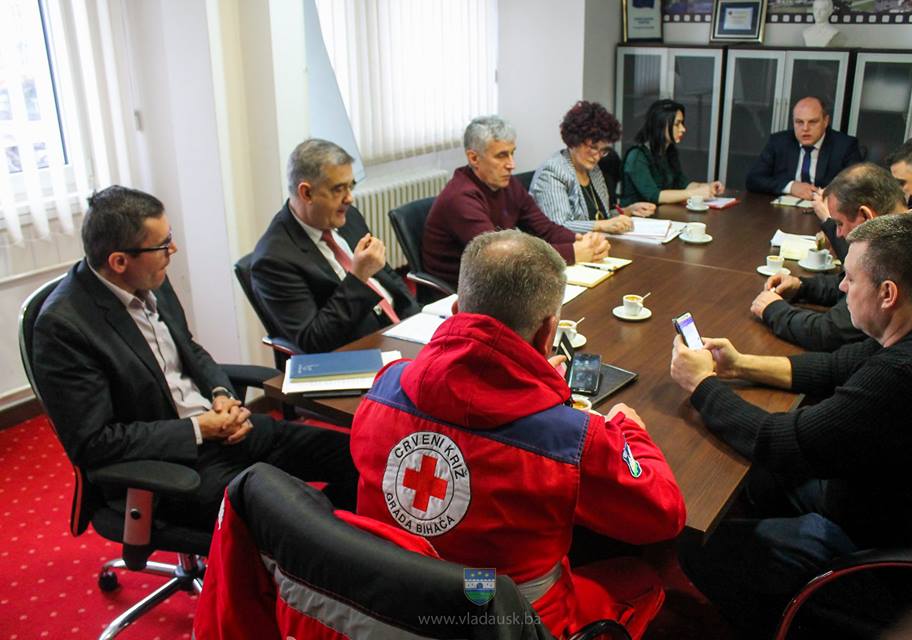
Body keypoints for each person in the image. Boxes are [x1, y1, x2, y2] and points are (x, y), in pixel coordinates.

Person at [351, 230, 686, 638]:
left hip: (389, 606)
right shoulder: (574, 440)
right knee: (642, 576)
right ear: (548, 333)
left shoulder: (385, 386)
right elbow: (665, 516)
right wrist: (629, 429)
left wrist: (540, 392)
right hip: (513, 625)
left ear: (455, 310)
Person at [670, 213, 912, 638]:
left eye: (850, 279)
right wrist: (738, 365)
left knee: (696, 543)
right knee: (759, 482)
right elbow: (831, 367)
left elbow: (780, 442)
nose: (841, 288)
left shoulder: (905, 376)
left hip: (878, 555)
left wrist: (701, 385)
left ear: (887, 293)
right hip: (884, 497)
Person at [31, 186, 358, 529]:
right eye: (163, 245)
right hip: (171, 467)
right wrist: (199, 429)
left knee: (357, 458)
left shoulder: (148, 275)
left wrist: (222, 394)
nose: (172, 250)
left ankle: (308, 544)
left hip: (221, 432)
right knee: (299, 515)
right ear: (119, 262)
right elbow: (95, 443)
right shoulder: (63, 327)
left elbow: (189, 349)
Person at [250, 139, 418, 353]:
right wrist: (358, 277)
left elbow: (386, 275)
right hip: (357, 353)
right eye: (338, 189)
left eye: (351, 186)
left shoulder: (347, 217)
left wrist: (416, 316)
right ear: (306, 193)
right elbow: (313, 341)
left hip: (401, 330)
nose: (350, 198)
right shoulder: (274, 259)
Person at [422, 116, 610, 287]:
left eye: (512, 153)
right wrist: (572, 252)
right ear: (474, 158)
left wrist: (584, 241)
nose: (512, 164)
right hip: (460, 292)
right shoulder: (460, 197)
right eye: (501, 155)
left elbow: (545, 229)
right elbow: (498, 255)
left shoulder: (507, 184)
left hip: (497, 279)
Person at [751, 163, 907, 351]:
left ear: (865, 216)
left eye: (839, 224)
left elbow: (830, 332)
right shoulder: (907, 230)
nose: (838, 234)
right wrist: (801, 287)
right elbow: (851, 286)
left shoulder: (899, 253)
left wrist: (774, 310)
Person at [530, 101, 655, 234]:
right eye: (593, 148)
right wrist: (602, 225)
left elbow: (601, 216)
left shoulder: (593, 170)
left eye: (603, 150)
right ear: (574, 141)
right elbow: (559, 226)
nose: (597, 156)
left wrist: (628, 211)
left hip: (594, 242)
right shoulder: (552, 172)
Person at [745, 96, 862, 199]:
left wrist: (825, 194)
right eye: (799, 122)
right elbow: (753, 179)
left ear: (825, 121)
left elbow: (857, 187)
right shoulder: (779, 142)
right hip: (784, 208)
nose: (805, 128)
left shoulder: (845, 146)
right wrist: (791, 187)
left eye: (813, 122)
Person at [621, 99, 723, 206]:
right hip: (637, 215)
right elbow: (654, 196)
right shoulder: (637, 156)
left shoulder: (669, 152)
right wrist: (695, 193)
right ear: (660, 125)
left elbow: (682, 183)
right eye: (677, 124)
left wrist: (706, 187)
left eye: (682, 123)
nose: (683, 129)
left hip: (662, 213)